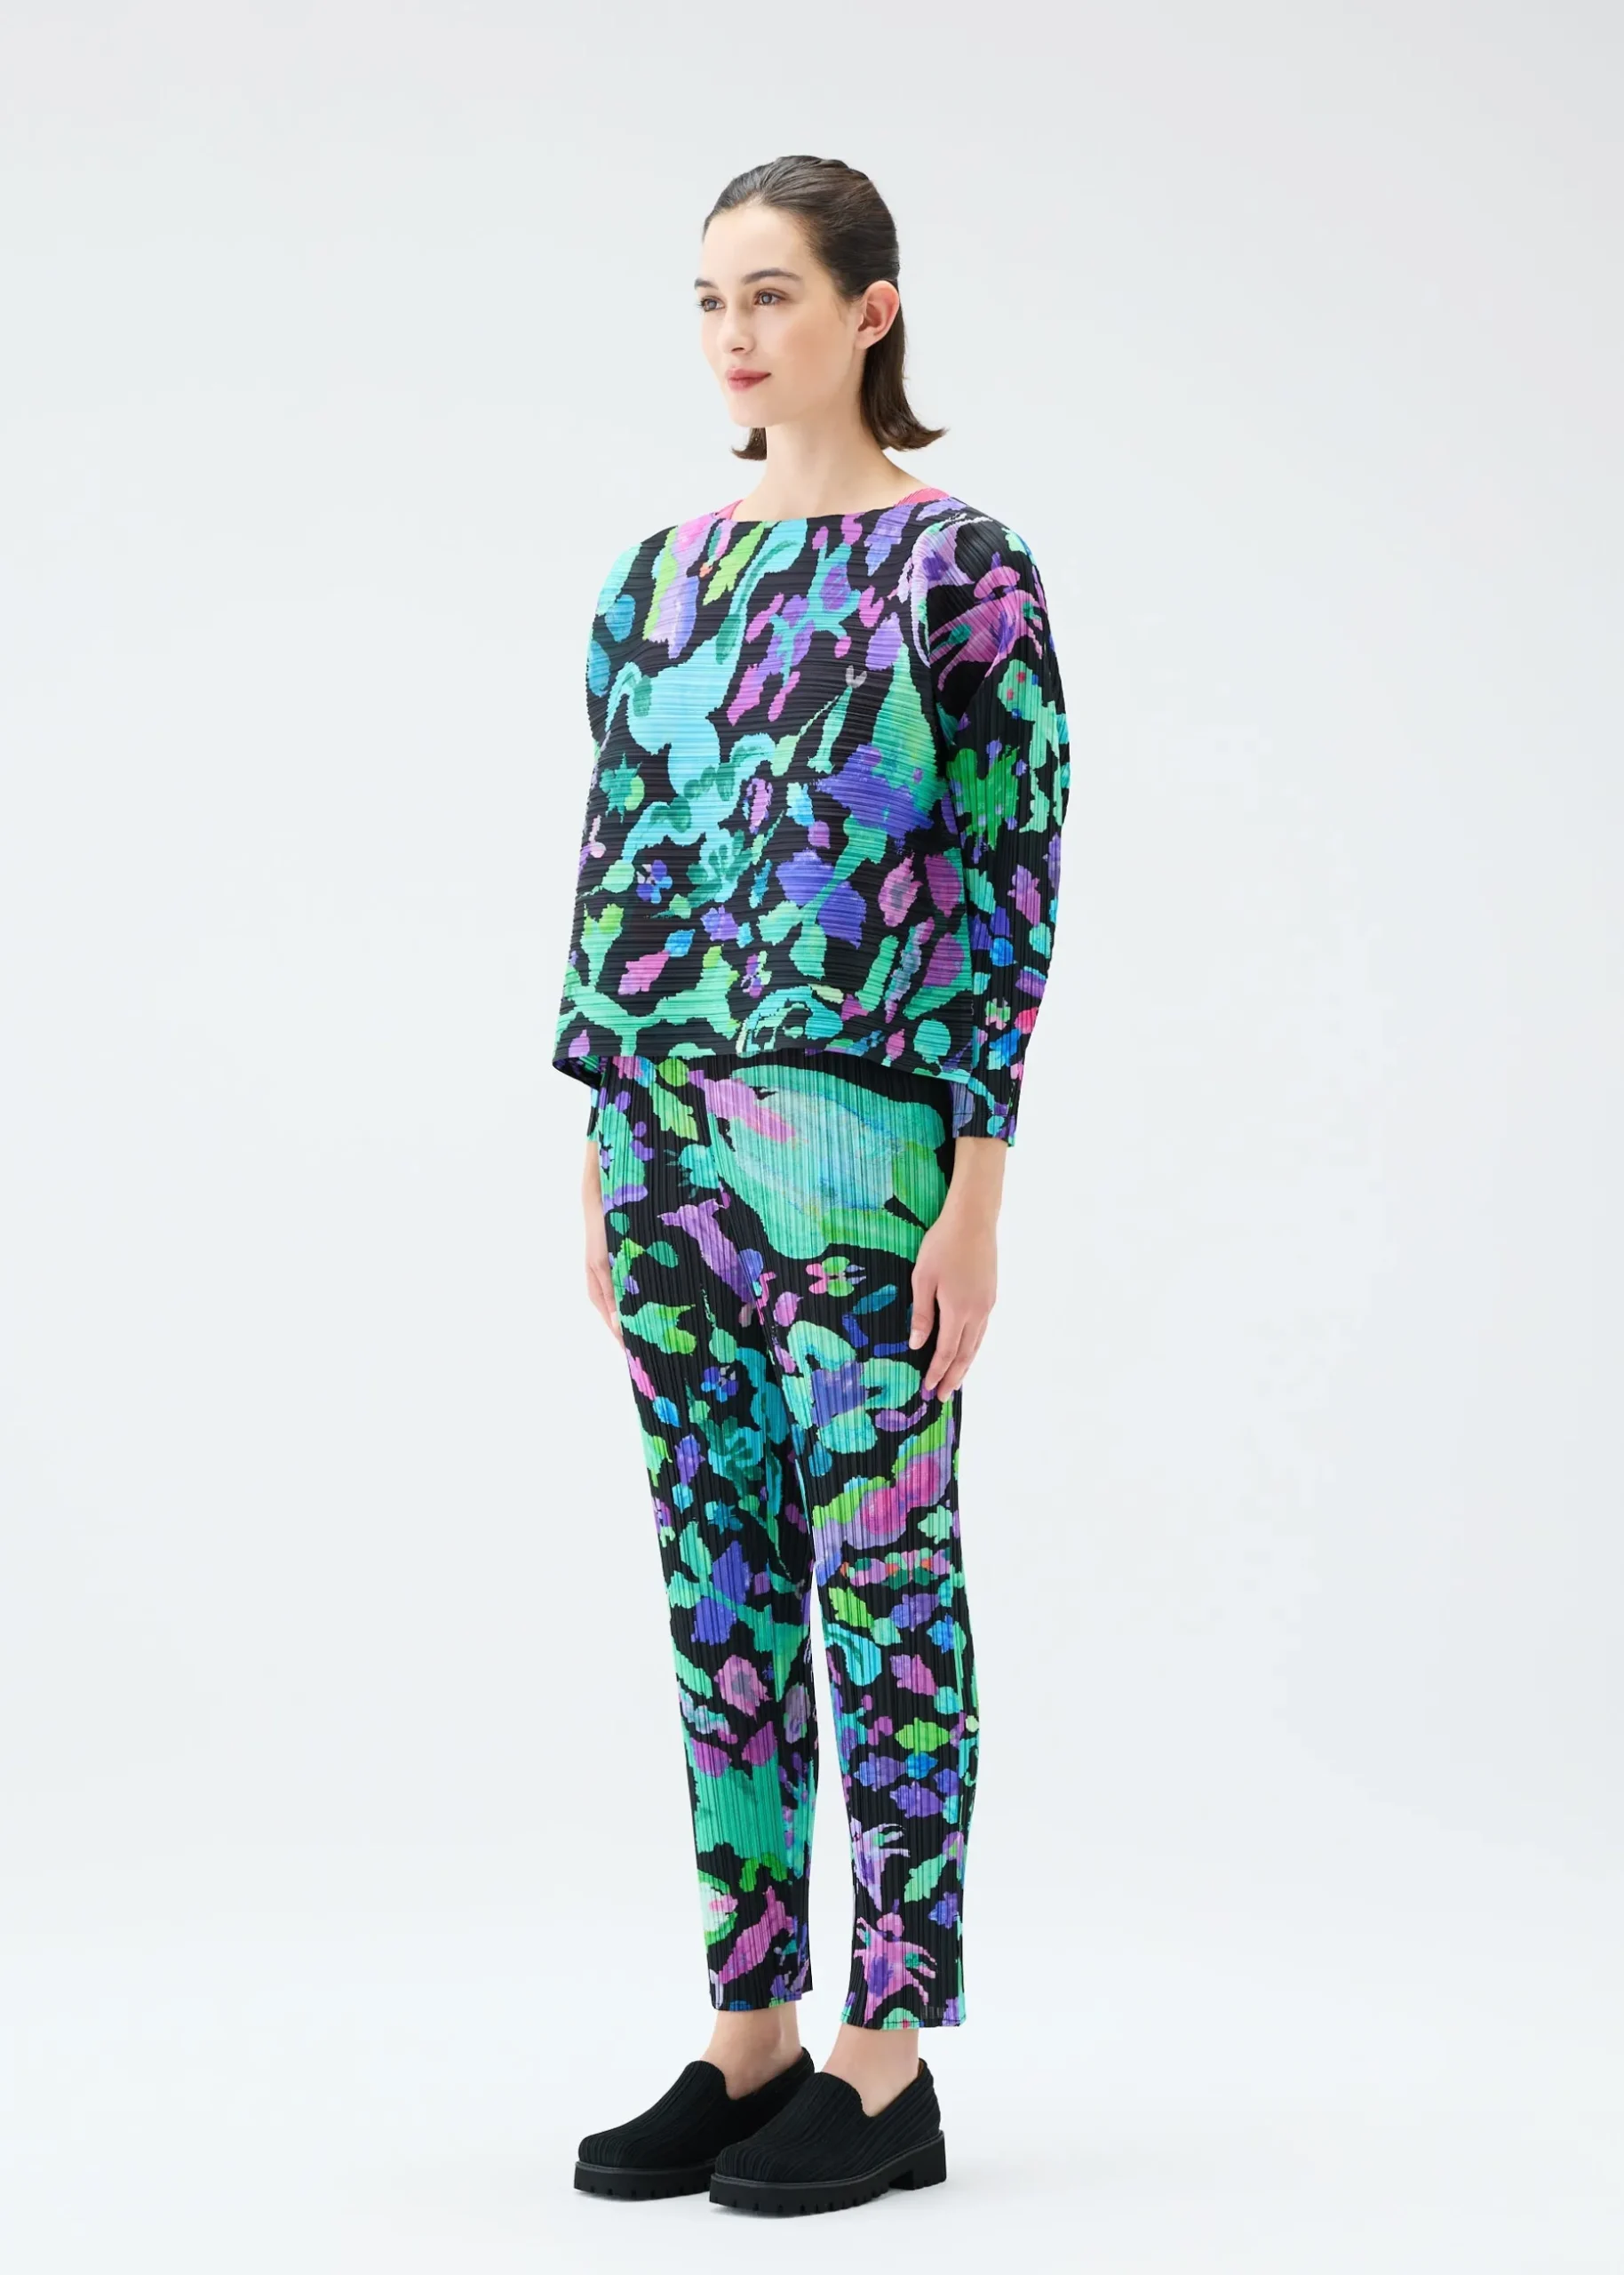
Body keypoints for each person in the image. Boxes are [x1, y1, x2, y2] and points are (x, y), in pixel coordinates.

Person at [556, 153, 1071, 2216]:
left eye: (768, 292)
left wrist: (975, 1184)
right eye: (708, 298)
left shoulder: (958, 571)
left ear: (870, 310)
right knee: (718, 1579)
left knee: (883, 1581)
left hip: (860, 1154)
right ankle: (748, 2025)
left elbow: (1010, 881)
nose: (732, 334)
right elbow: (619, 861)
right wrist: (598, 1137)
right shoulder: (654, 579)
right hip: (665, 1143)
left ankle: (887, 2049)